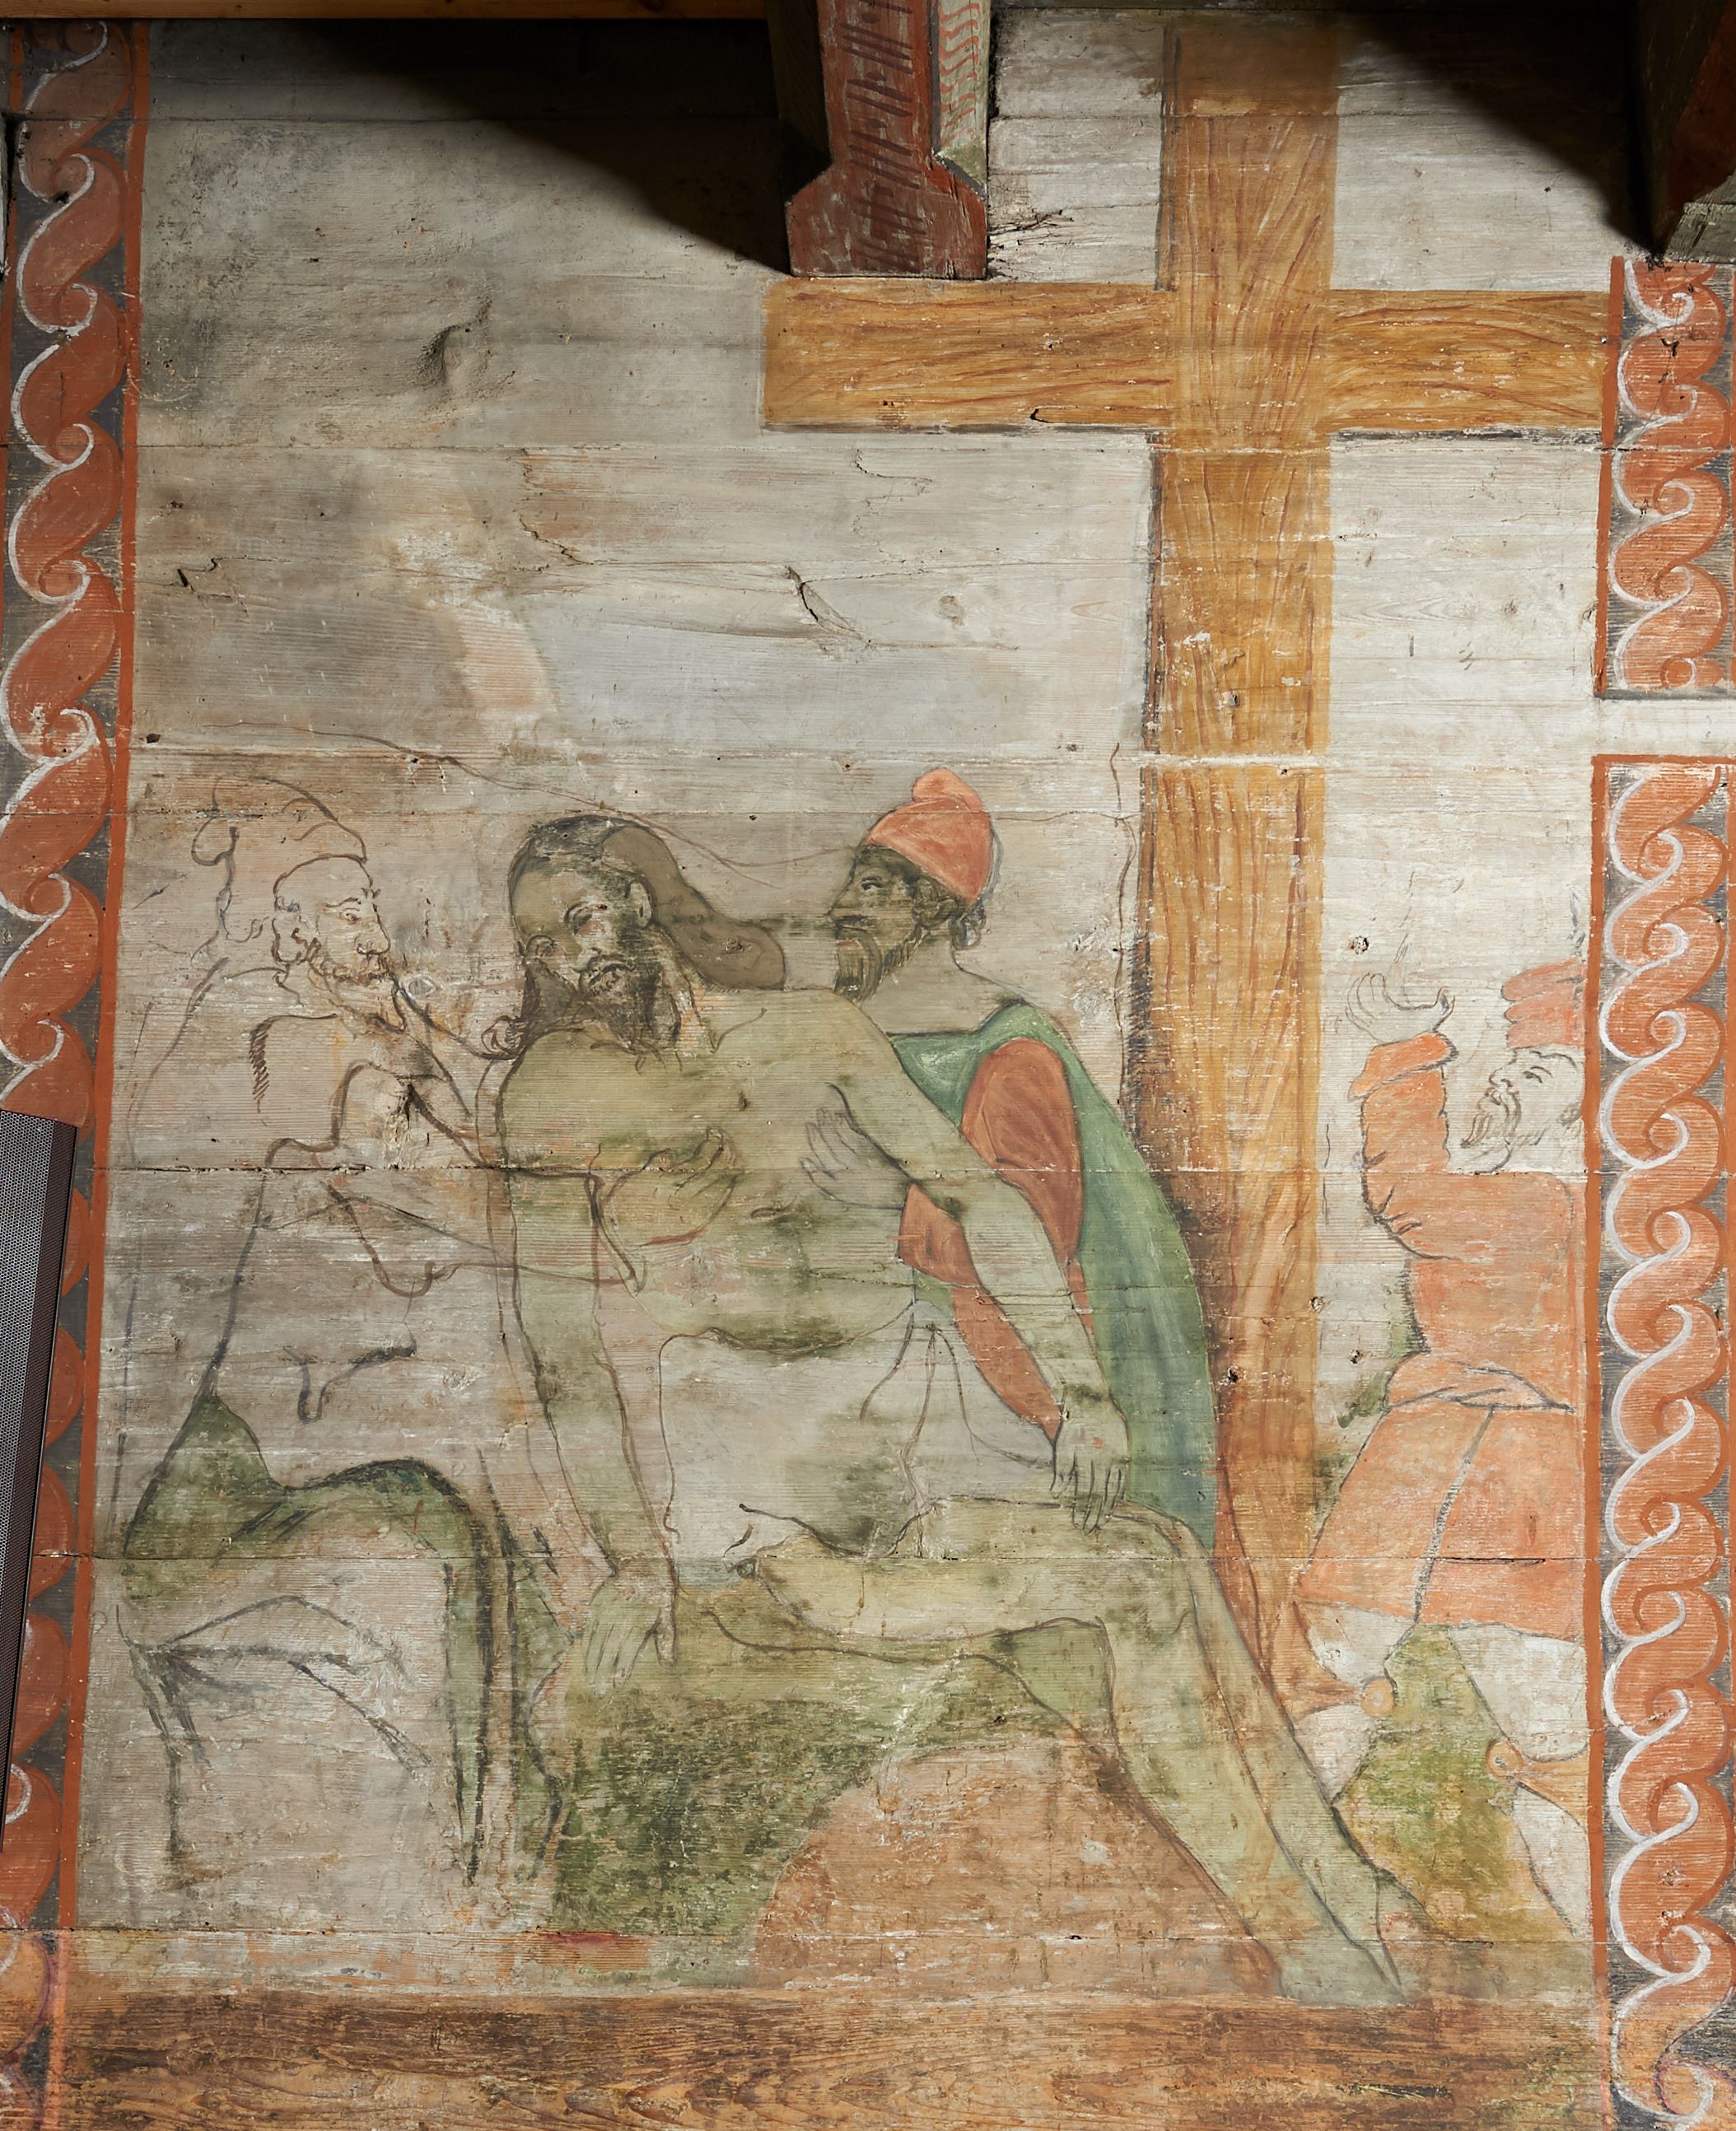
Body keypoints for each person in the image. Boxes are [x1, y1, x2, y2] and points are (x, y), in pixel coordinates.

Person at [499, 813, 1401, 2004]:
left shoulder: (812, 1031)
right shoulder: (551, 1095)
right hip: (766, 1458)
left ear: (641, 901)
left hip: (917, 1395)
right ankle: (1312, 1942)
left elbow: (982, 1199)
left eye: (585, 918)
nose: (576, 957)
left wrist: (1081, 1388)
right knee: (1137, 1584)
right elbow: (564, 1349)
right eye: (544, 944)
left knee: (1163, 1561)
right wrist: (629, 1562)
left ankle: (1340, 1892)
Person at [121, 817, 595, 1925]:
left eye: (369, 907)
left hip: (328, 1468)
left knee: (477, 1533)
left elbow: (459, 1187)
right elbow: (427, 1183)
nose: (370, 930)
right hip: (233, 1511)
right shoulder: (300, 1066)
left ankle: (491, 1844)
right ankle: (470, 1852)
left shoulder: (394, 1064)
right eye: (344, 913)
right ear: (292, 936)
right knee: (445, 1533)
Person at [822, 767, 1216, 1545]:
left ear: (933, 906)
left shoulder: (1007, 1046)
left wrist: (892, 1201)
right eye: (852, 886)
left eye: (871, 890)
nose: (842, 908)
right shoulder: (841, 1027)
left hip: (995, 1346)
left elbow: (1035, 1229)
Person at [1294, 964, 1590, 1934]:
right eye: (1512, 1060)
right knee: (1340, 1679)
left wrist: (1403, 1053)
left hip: (1495, 1479)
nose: (1503, 1078)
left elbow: (1410, 1192)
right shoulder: (1554, 1200)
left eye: (1538, 1069)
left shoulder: (1542, 1205)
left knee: (1536, 1731)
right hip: (1463, 1468)